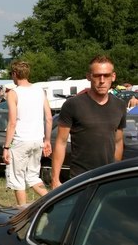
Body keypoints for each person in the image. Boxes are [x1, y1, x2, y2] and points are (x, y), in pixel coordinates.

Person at [51, 55, 127, 188]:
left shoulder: (120, 105)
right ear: (88, 76)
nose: (102, 80)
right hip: (80, 177)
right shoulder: (73, 104)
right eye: (97, 75)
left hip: (107, 176)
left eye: (106, 75)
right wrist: (55, 179)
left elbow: (118, 141)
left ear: (113, 76)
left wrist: (115, 171)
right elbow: (61, 142)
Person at [2, 61, 52, 206]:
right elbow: (48, 118)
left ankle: (22, 213)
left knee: (18, 180)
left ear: (15, 74)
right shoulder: (39, 90)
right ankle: (52, 199)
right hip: (37, 139)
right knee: (33, 177)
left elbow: (12, 122)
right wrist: (47, 140)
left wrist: (6, 147)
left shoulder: (13, 93)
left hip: (20, 140)